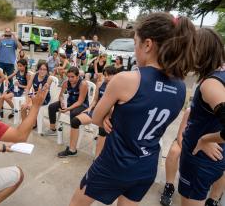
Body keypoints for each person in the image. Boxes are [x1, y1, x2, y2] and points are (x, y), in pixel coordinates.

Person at [69, 12, 196, 206]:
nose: (135, 49)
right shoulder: (180, 87)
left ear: (147, 44)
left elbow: (95, 117)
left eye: (136, 42)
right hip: (147, 166)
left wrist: (106, 116)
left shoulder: (126, 79)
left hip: (115, 163)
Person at [178, 28, 225, 206]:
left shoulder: (211, 83)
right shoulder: (218, 76)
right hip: (209, 159)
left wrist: (206, 139)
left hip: (200, 161)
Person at [160, 107, 225, 206]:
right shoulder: (192, 110)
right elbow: (181, 135)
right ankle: (169, 186)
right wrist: (191, 149)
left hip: (213, 145)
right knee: (174, 151)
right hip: (189, 141)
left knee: (221, 161)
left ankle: (213, 199)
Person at [57, 66, 117, 158]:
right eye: (105, 75)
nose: (107, 77)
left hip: (110, 114)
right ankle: (72, 150)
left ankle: (98, 158)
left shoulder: (117, 87)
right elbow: (95, 100)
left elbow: (113, 106)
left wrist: (107, 116)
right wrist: (90, 108)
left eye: (110, 75)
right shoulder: (101, 84)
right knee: (75, 121)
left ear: (115, 76)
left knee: (103, 129)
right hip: (96, 110)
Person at [44, 67, 89, 136]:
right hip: (69, 102)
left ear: (78, 76)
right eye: (68, 77)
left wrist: (68, 109)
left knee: (73, 112)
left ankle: (73, 134)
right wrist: (62, 102)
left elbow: (80, 101)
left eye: (72, 77)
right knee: (52, 107)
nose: (70, 79)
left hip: (82, 105)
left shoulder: (83, 84)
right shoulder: (66, 83)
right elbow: (60, 96)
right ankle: (52, 129)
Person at [0, 27, 22, 93]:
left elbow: (20, 47)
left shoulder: (13, 40)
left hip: (10, 62)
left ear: (11, 33)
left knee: (10, 78)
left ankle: (10, 91)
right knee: (0, 78)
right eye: (6, 31)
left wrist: (15, 39)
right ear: (4, 32)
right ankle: (1, 91)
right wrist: (0, 38)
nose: (7, 33)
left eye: (9, 32)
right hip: (1, 62)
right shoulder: (1, 39)